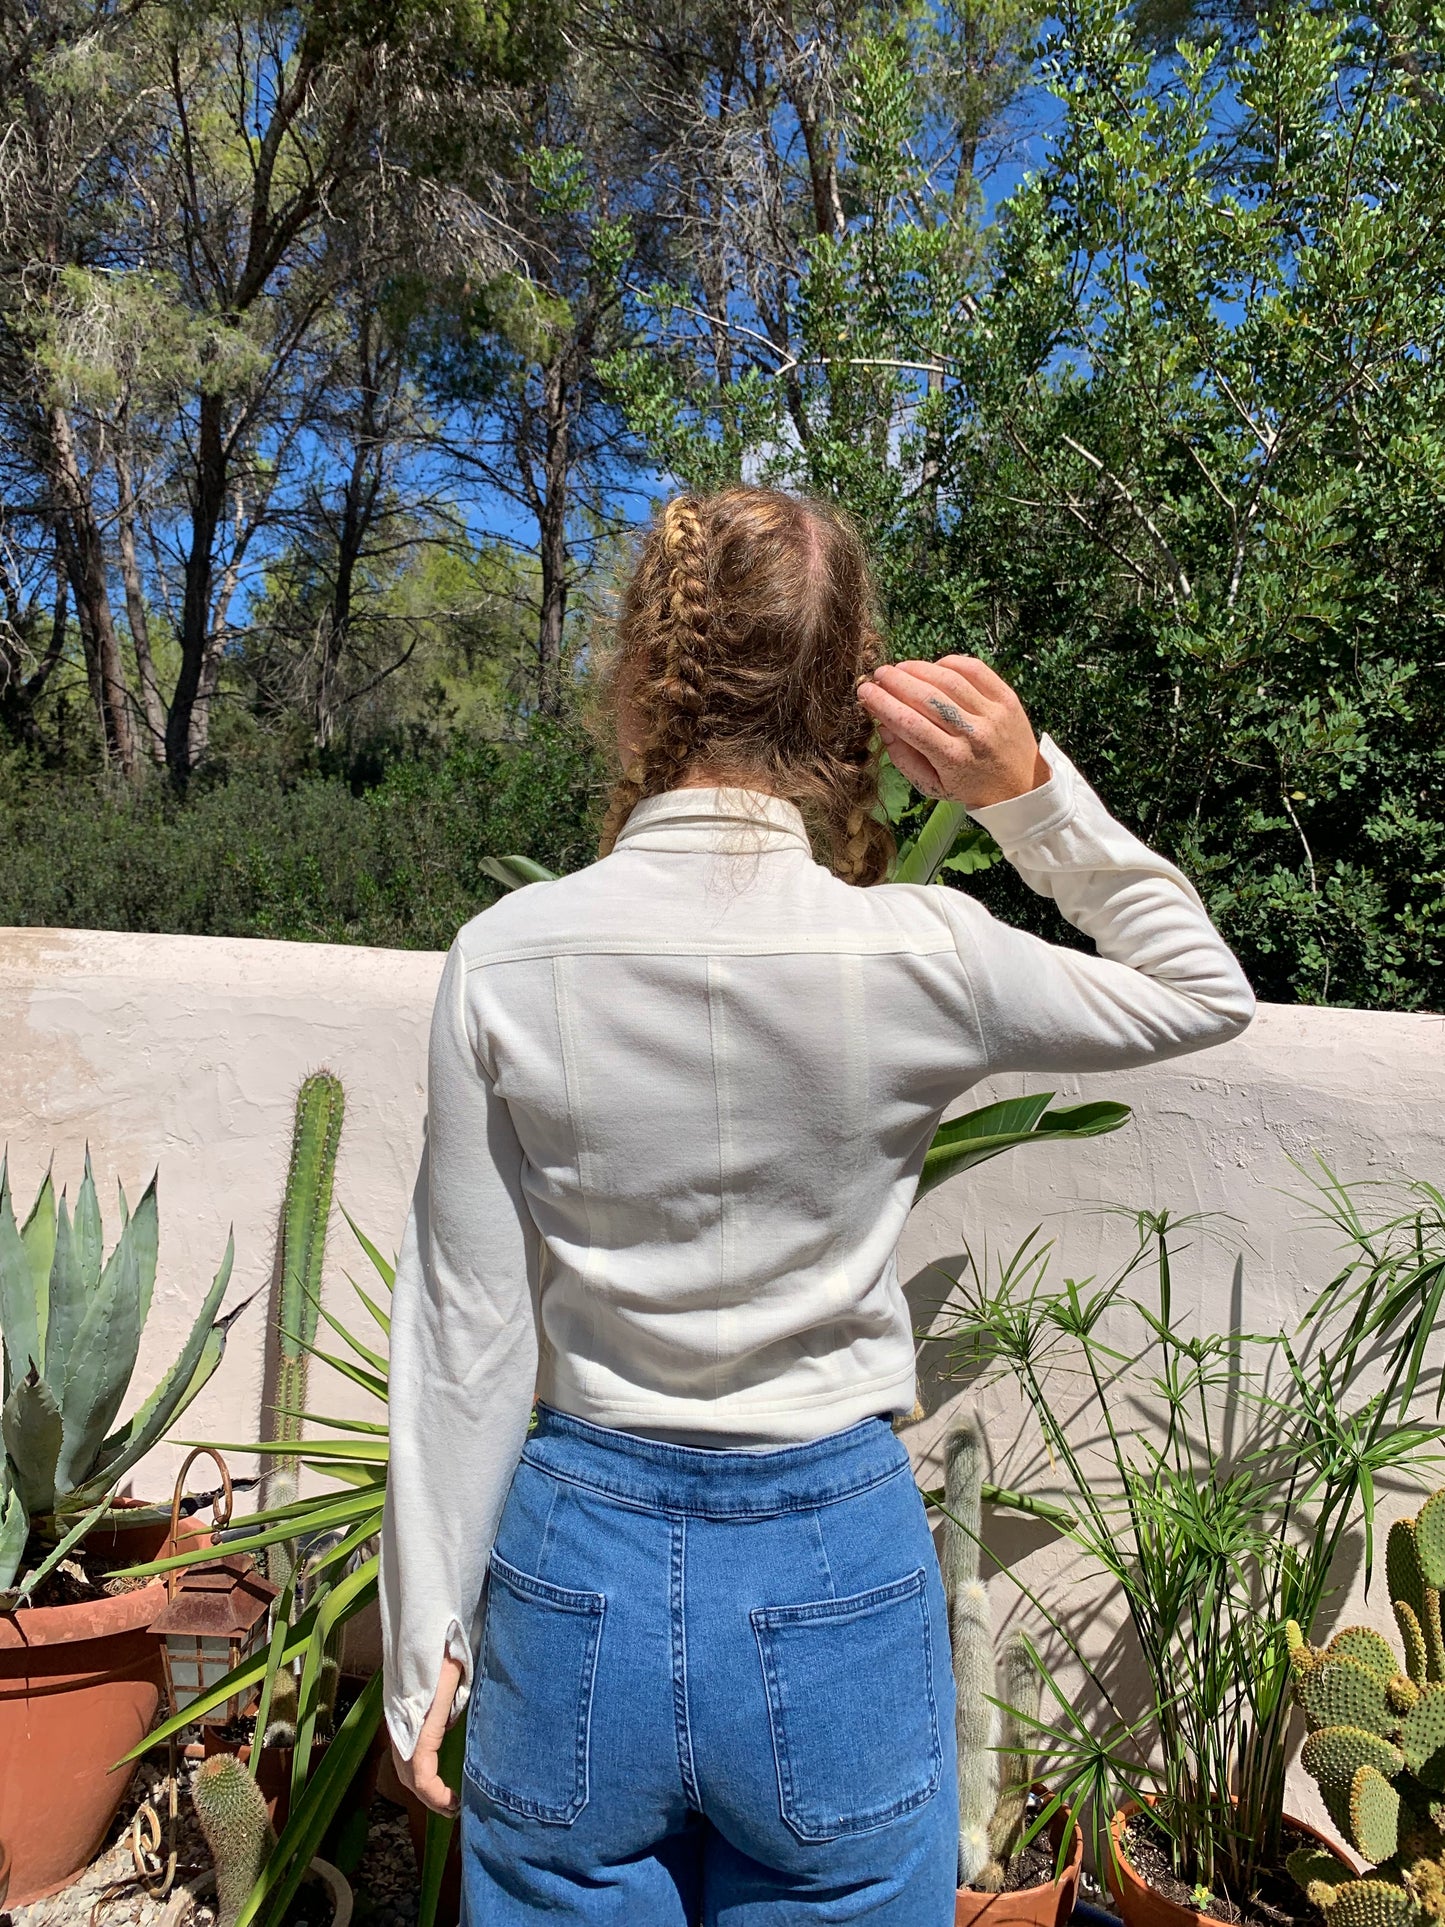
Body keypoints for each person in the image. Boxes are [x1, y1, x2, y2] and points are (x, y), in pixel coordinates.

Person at [378, 487, 1255, 1925]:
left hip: (575, 1560)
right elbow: (1199, 991)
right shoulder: (918, 950)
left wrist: (427, 1636)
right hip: (832, 1563)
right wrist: (1028, 795)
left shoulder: (507, 954)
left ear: (643, 675)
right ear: (853, 694)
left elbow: (466, 1326)